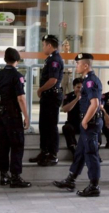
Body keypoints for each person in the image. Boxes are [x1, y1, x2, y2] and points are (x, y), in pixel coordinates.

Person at [53, 53, 103, 197]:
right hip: (88, 122)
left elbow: (95, 104)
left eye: (78, 63)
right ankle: (71, 179)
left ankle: (94, 186)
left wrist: (85, 121)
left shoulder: (90, 82)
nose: (76, 66)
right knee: (80, 152)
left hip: (90, 123)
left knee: (91, 154)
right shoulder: (87, 80)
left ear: (86, 65)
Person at [0, 47, 31, 188]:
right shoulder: (17, 75)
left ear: (5, 60)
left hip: (1, 114)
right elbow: (21, 99)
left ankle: (3, 175)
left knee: (3, 145)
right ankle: (15, 177)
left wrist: (0, 104)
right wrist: (26, 116)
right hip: (13, 114)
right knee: (17, 144)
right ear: (17, 60)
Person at [29, 34, 64, 166]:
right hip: (48, 96)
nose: (43, 47)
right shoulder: (50, 59)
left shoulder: (54, 60)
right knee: (43, 126)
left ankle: (52, 154)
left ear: (49, 45)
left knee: (50, 126)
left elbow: (53, 80)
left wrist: (40, 90)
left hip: (51, 96)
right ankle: (44, 152)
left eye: (44, 45)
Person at [61, 78, 83, 154]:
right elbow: (65, 109)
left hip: (83, 123)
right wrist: (76, 99)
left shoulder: (88, 97)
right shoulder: (68, 96)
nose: (80, 90)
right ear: (74, 87)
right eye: (78, 87)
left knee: (95, 126)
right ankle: (74, 149)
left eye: (82, 88)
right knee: (66, 128)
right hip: (73, 123)